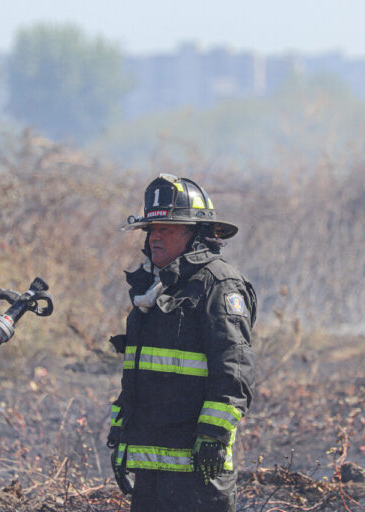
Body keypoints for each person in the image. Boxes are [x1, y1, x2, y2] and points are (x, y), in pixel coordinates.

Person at [107, 173, 257, 511]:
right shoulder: (154, 290)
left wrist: (214, 434)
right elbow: (139, 378)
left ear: (195, 235)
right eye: (152, 230)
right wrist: (121, 436)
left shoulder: (219, 285)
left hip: (198, 473)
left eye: (167, 229)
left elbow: (234, 368)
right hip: (150, 471)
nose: (155, 237)